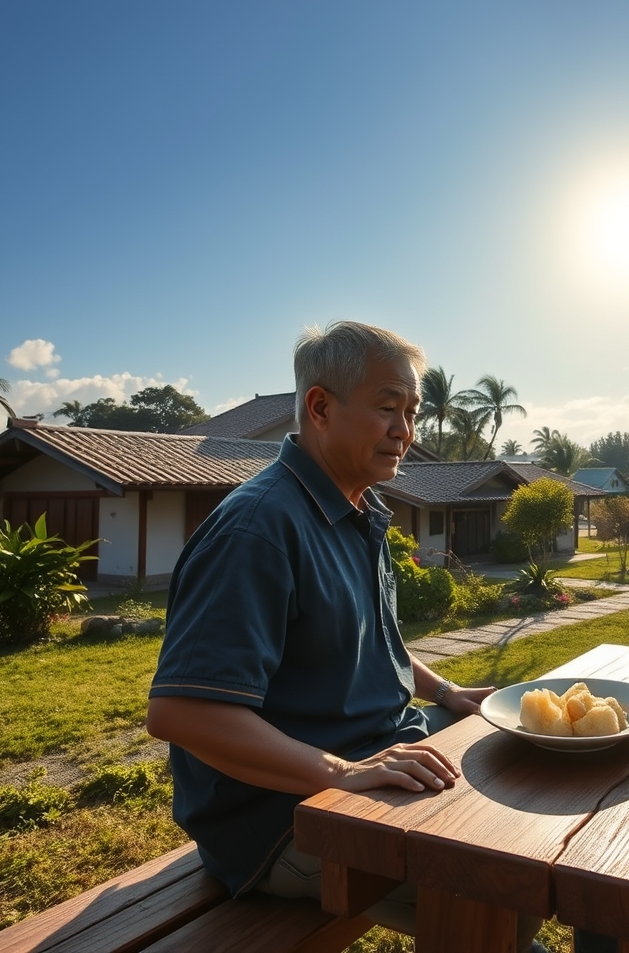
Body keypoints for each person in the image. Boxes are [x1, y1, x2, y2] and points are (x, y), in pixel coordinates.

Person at [147, 321, 545, 951]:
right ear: (320, 407)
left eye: (412, 413)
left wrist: (447, 693)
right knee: (504, 885)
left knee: (527, 788)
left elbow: (369, 641)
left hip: (382, 752)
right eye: (388, 409)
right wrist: (342, 771)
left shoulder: (355, 511)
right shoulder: (258, 529)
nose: (406, 432)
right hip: (280, 818)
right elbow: (182, 712)